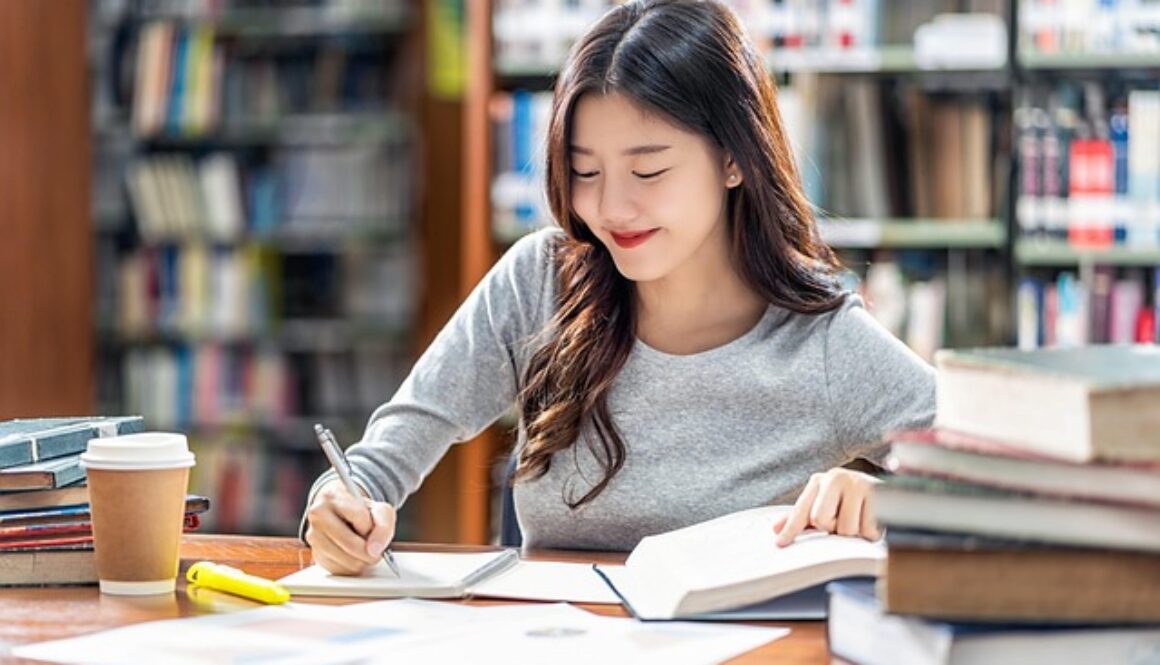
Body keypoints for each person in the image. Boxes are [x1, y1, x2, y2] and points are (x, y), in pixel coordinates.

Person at [303, 0, 935, 575]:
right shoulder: (539, 283)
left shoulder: (823, 342)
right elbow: (372, 467)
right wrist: (339, 507)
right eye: (585, 171)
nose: (611, 207)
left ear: (735, 159)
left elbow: (1009, 492)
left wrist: (893, 501)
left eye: (648, 169)